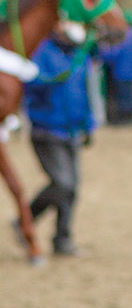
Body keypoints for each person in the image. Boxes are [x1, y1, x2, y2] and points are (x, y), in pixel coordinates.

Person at [20, 20, 97, 257]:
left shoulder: (80, 56)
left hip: (72, 130)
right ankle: (26, 219)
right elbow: (30, 83)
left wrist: (89, 125)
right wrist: (51, 78)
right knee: (63, 184)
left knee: (72, 189)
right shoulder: (41, 52)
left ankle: (61, 239)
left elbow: (86, 92)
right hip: (47, 130)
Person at [98, 10, 132, 125]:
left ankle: (124, 120)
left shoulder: (125, 37)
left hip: (121, 72)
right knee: (130, 95)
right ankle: (130, 119)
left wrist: (102, 50)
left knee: (122, 97)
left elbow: (115, 54)